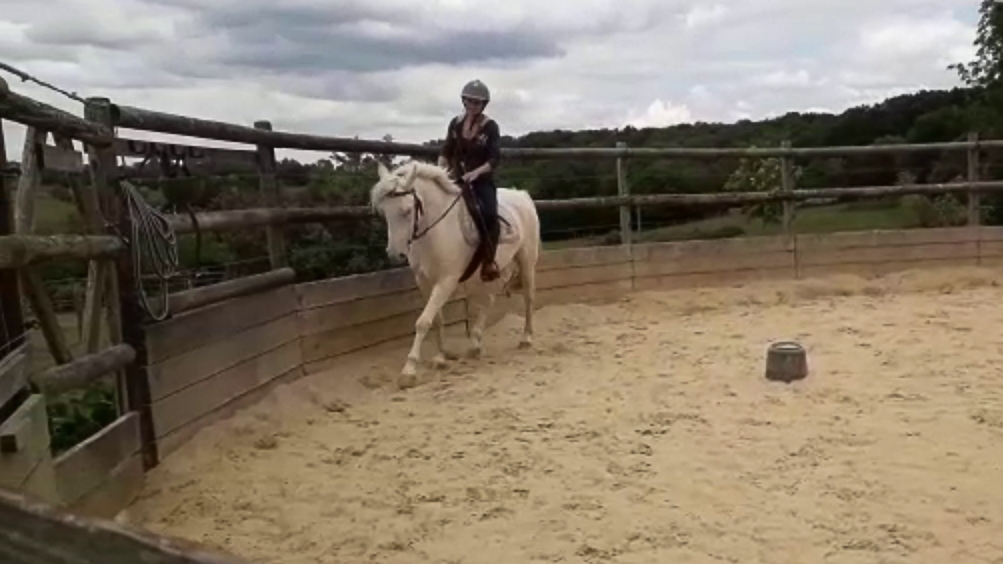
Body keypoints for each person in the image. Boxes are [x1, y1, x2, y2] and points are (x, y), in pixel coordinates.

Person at [438, 79, 502, 282]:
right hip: (456, 179)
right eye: (470, 101)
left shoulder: (490, 127)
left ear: (483, 104)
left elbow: (494, 159)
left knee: (489, 215)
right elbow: (446, 151)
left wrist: (476, 173)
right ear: (464, 101)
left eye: (477, 102)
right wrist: (439, 171)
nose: (473, 105)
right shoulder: (455, 123)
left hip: (481, 182)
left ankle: (489, 262)